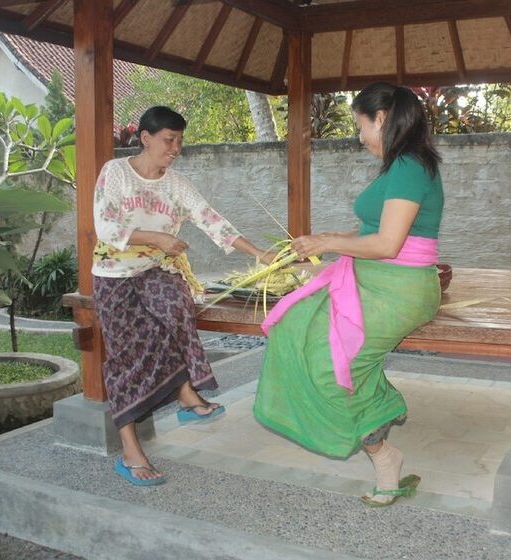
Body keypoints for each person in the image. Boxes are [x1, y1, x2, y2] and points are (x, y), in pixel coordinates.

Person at [254, 82, 444, 506]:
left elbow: (387, 244)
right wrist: (327, 242)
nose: (359, 137)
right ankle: (384, 451)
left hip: (397, 289)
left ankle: (383, 445)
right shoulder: (400, 167)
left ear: (382, 118)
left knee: (328, 368)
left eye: (361, 126)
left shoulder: (409, 167)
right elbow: (373, 233)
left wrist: (328, 243)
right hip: (372, 279)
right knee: (295, 329)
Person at [92, 106, 271, 486]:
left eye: (179, 141)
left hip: (157, 269)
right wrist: (157, 237)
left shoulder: (176, 184)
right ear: (145, 138)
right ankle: (130, 449)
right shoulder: (116, 172)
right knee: (127, 354)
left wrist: (259, 253)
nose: (176, 148)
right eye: (169, 140)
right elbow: (106, 228)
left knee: (177, 307)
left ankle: (187, 393)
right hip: (113, 274)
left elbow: (212, 220)